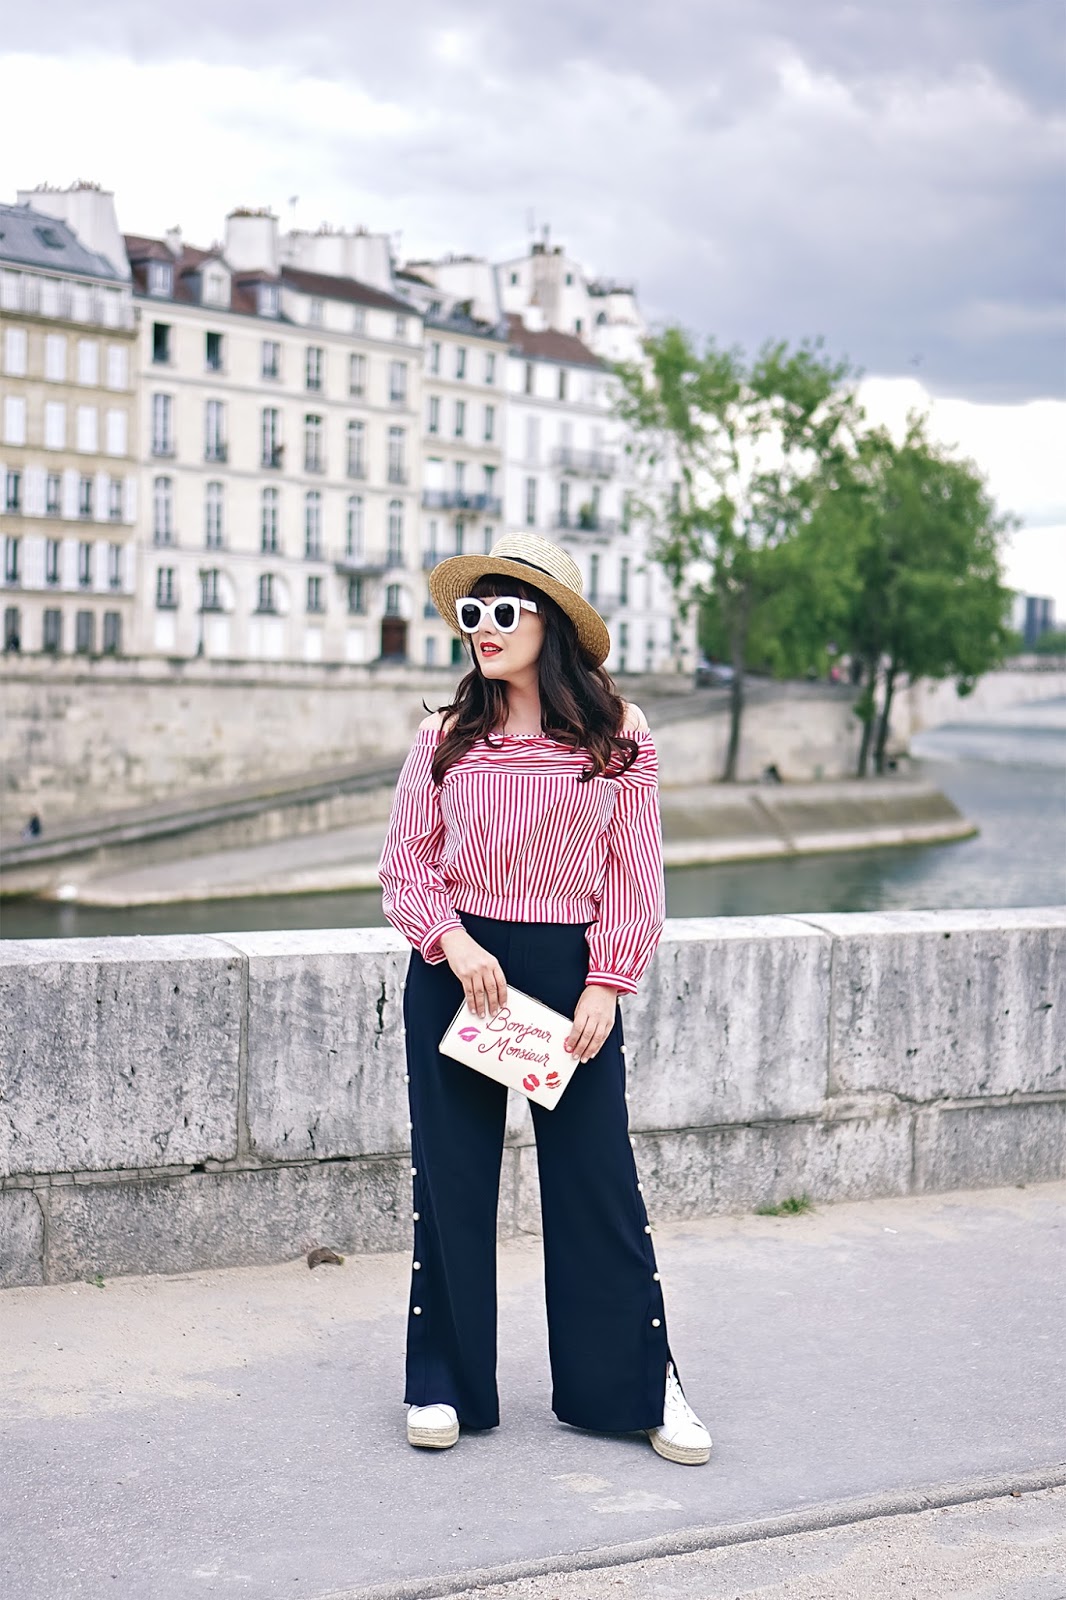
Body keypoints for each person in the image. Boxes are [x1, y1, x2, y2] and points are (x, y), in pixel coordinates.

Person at [377, 532, 711, 1465]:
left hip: (570, 969)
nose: (481, 629)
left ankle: (642, 1387)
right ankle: (442, 1380)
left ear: (551, 623)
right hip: (459, 971)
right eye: (471, 614)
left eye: (502, 611)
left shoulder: (618, 738)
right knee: (450, 1182)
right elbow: (405, 865)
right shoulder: (441, 738)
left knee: (597, 1182)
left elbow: (633, 870)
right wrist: (452, 941)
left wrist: (608, 978)